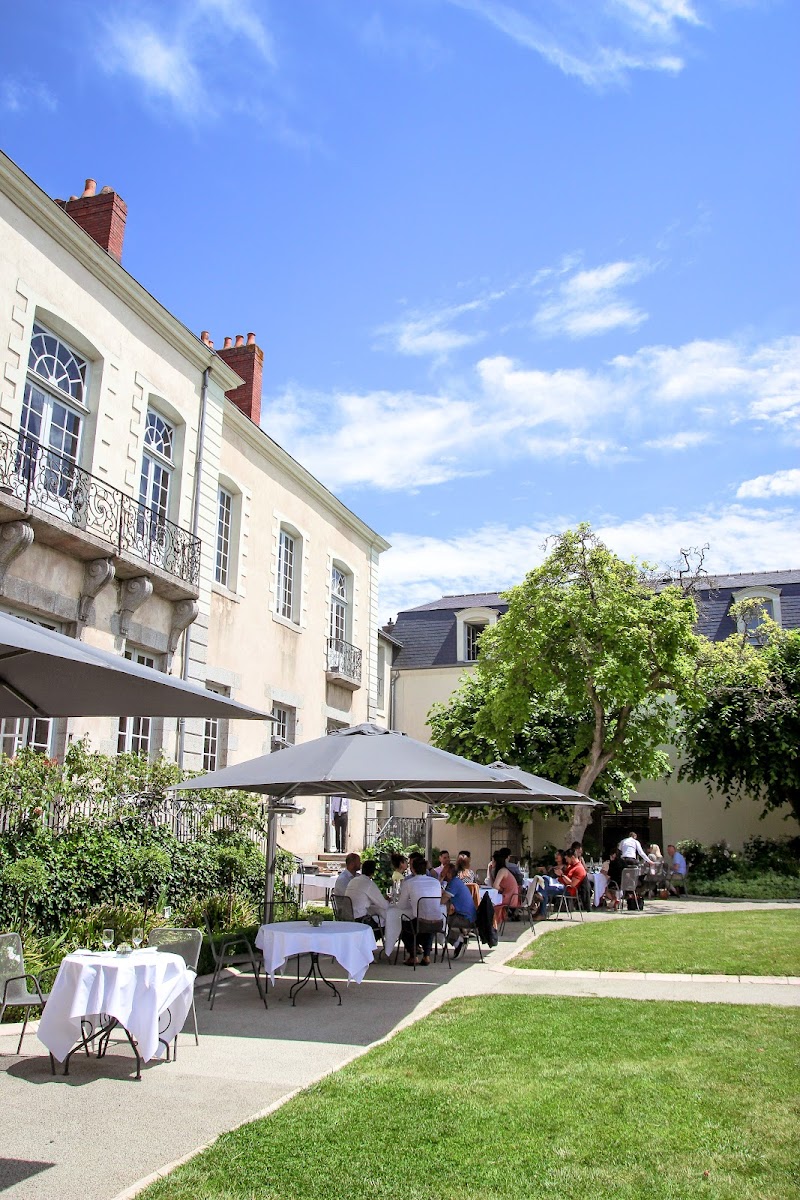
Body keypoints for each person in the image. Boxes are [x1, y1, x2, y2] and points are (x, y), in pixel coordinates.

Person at [398, 857, 445, 967]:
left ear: (413, 869)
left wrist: (413, 902)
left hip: (420, 922)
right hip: (438, 923)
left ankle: (413, 956)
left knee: (404, 925)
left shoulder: (409, 883)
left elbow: (401, 905)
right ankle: (426, 956)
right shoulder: (436, 883)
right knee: (428, 921)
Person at [441, 862, 477, 958]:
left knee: (439, 923)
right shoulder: (456, 882)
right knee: (441, 920)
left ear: (448, 873)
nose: (441, 872)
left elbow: (442, 901)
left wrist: (439, 880)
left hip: (465, 918)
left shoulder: (453, 884)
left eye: (443, 871)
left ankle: (458, 942)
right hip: (467, 915)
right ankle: (458, 941)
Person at [345, 859, 389, 936]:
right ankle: (367, 945)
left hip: (348, 918)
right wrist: (388, 900)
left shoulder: (353, 881)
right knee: (387, 923)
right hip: (361, 920)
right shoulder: (368, 884)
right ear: (373, 872)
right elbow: (384, 905)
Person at [489, 850, 519, 927]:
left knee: (488, 902)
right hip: (509, 895)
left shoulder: (502, 871)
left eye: (493, 861)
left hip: (509, 897)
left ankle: (491, 922)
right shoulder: (502, 870)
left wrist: (502, 890)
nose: (491, 863)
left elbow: (495, 886)